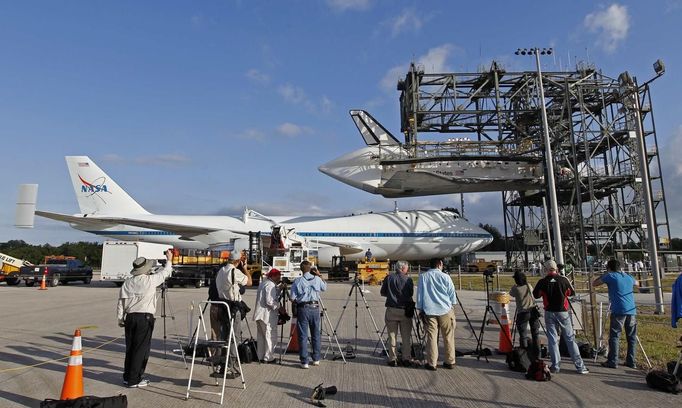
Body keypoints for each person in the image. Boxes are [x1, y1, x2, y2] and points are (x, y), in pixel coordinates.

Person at [117, 249, 173, 388]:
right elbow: (165, 273)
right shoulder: (149, 280)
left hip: (129, 317)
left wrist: (120, 318)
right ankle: (134, 379)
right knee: (140, 349)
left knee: (130, 348)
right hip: (144, 317)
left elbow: (121, 302)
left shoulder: (128, 282)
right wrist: (169, 260)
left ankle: (127, 376)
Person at [533, 259, 589, 374]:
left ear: (545, 269)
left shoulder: (542, 282)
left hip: (549, 312)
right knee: (570, 339)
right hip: (563, 312)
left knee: (552, 340)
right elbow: (570, 293)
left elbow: (536, 295)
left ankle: (556, 366)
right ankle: (580, 366)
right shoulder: (564, 280)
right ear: (556, 269)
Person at [211, 250, 252, 378]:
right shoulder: (235, 271)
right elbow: (249, 282)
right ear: (238, 261)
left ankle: (222, 362)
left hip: (222, 306)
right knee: (234, 338)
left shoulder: (221, 271)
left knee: (224, 335)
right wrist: (245, 268)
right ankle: (229, 365)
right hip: (233, 308)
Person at [593, 259, 639, 368]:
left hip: (618, 309)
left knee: (615, 335)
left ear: (609, 268)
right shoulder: (627, 276)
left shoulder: (611, 276)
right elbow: (637, 283)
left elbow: (594, 283)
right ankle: (631, 361)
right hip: (631, 309)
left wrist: (606, 273)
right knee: (631, 336)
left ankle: (613, 361)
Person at [416, 258, 457, 371]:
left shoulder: (423, 277)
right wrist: (452, 304)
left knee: (431, 337)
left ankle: (432, 362)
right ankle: (450, 361)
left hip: (429, 311)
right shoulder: (445, 277)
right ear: (439, 264)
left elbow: (420, 294)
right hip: (445, 310)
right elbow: (452, 294)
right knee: (448, 336)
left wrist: (420, 309)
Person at [290, 260, 326, 369]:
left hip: (303, 308)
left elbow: (292, 298)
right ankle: (316, 359)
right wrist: (319, 275)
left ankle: (304, 361)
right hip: (315, 308)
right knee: (316, 334)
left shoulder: (297, 281)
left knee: (303, 335)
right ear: (311, 269)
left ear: (301, 270)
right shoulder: (317, 279)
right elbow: (324, 288)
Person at [380, 260, 414, 367]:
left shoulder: (389, 278)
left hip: (391, 309)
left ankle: (392, 358)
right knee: (406, 336)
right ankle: (406, 358)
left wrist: (391, 295)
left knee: (392, 335)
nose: (407, 269)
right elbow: (411, 293)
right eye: (407, 268)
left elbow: (383, 292)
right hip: (405, 310)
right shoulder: (408, 279)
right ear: (403, 268)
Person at [253, 268, 284, 363]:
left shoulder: (264, 283)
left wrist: (279, 289)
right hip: (266, 315)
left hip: (260, 314)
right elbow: (270, 301)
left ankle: (261, 355)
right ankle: (268, 357)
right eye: (278, 276)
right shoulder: (270, 285)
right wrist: (280, 307)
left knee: (262, 336)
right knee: (270, 336)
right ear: (273, 276)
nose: (280, 278)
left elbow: (272, 296)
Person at [509, 271, 541, 360]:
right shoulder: (529, 285)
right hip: (533, 311)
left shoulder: (516, 288)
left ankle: (525, 355)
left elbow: (511, 294)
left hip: (523, 312)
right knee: (536, 334)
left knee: (523, 334)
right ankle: (538, 354)